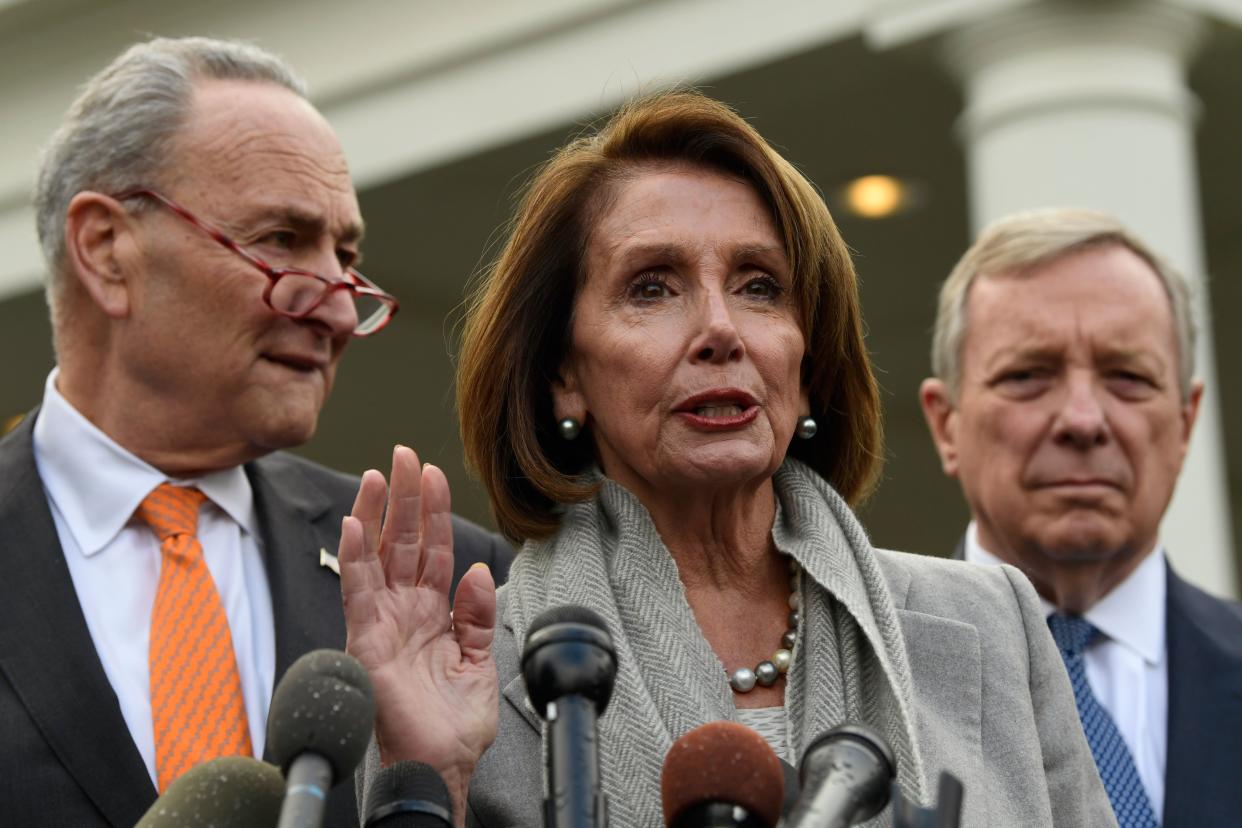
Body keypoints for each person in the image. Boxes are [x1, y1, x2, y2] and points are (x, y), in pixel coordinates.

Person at [341, 91, 1114, 827]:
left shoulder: (991, 624)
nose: (721, 329)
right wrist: (429, 776)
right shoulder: (471, 677)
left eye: (758, 286)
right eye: (653, 288)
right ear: (562, 377)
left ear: (807, 368)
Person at [0, 37, 511, 827]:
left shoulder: (452, 587)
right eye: (282, 240)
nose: (341, 309)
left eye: (346, 256)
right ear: (106, 249)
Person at [919, 208, 1242, 827]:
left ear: (1185, 422)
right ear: (946, 424)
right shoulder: (856, 682)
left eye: (1127, 377)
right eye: (1027, 376)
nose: (1083, 420)